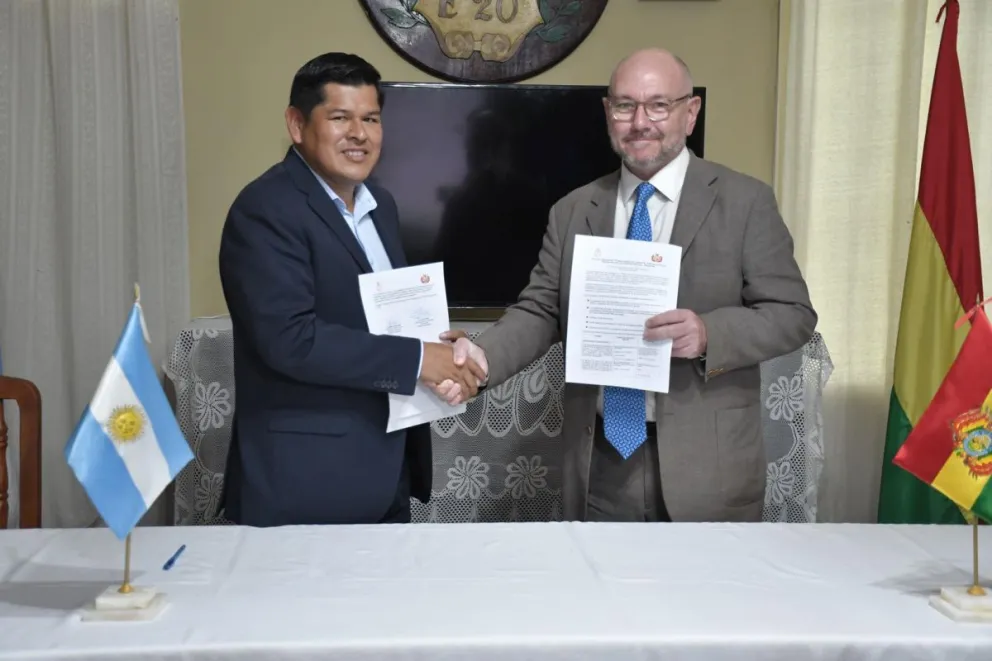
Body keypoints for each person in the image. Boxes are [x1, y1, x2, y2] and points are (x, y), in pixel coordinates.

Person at [434, 48, 817, 523]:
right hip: (600, 462)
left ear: (690, 113)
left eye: (659, 105)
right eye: (624, 106)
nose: (640, 122)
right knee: (602, 594)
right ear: (607, 113)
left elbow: (792, 314)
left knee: (705, 598)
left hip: (710, 466)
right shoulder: (573, 209)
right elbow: (541, 310)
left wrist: (708, 334)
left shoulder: (746, 202)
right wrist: (481, 356)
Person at [218, 52, 485, 526]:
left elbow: (381, 317)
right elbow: (290, 340)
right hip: (306, 479)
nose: (359, 134)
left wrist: (440, 345)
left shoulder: (381, 204)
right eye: (339, 117)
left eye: (371, 119)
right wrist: (419, 359)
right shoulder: (265, 209)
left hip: (387, 465)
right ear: (297, 124)